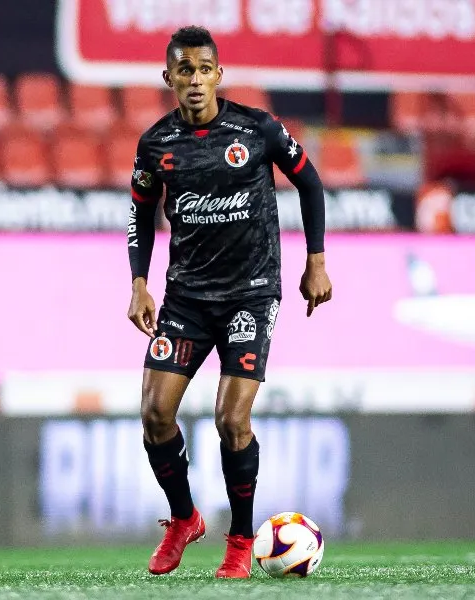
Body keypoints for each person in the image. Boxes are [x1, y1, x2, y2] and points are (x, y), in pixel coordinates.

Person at [126, 25, 332, 578]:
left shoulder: (257, 129)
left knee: (230, 419)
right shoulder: (156, 145)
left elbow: (309, 183)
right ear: (168, 78)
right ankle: (184, 517)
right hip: (186, 299)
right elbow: (142, 213)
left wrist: (315, 261)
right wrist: (139, 282)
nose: (194, 80)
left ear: (219, 74)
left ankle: (241, 540)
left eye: (203, 69)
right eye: (183, 70)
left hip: (251, 295)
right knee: (153, 413)